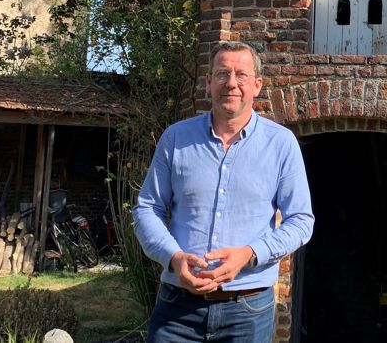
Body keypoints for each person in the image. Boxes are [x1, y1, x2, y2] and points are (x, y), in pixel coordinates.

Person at [134, 41, 314, 343]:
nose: (231, 83)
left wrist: (249, 254)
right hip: (177, 309)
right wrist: (174, 258)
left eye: (241, 75)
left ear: (257, 85)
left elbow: (301, 220)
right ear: (208, 82)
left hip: (248, 312)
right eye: (222, 74)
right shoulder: (176, 139)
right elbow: (146, 208)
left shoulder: (281, 144)